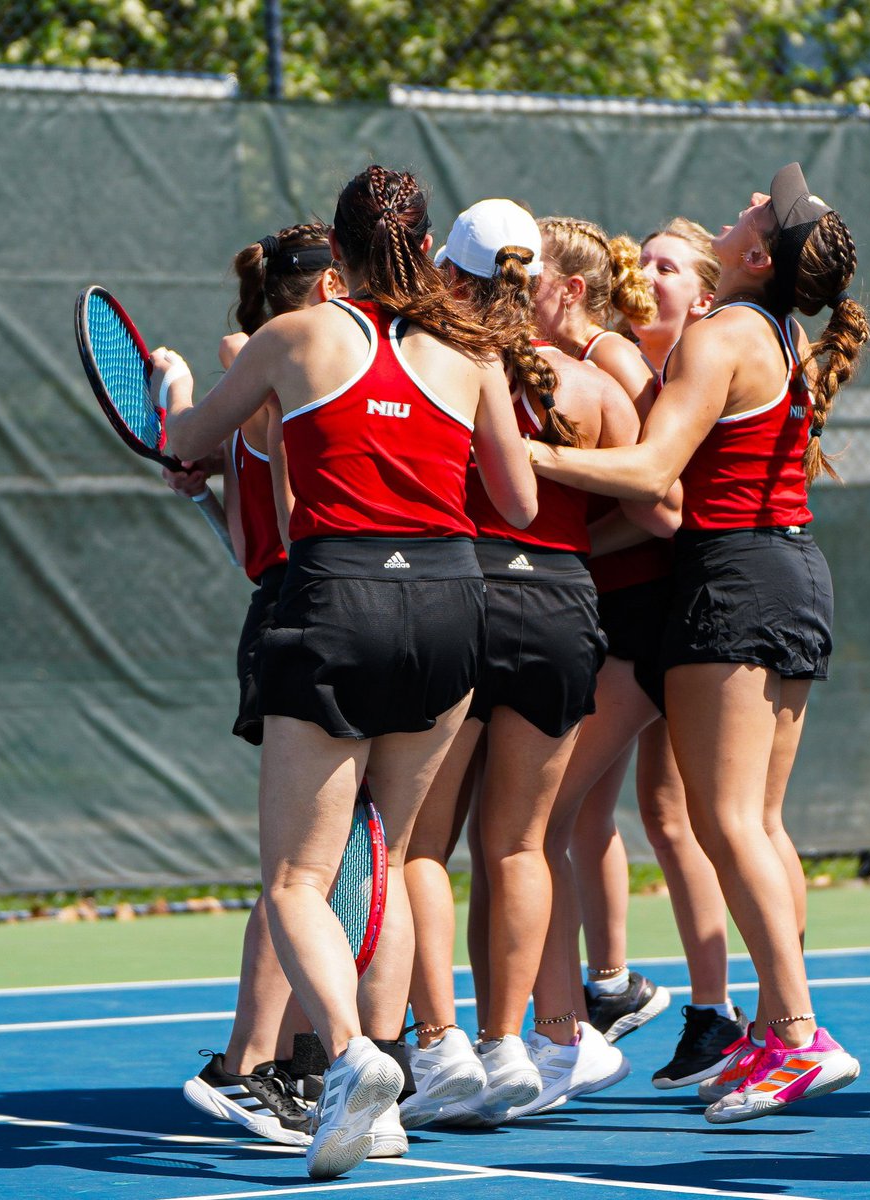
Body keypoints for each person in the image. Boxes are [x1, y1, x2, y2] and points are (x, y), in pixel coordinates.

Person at [152, 165, 537, 1177]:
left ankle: (354, 1058)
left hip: (337, 600)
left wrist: (184, 408)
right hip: (454, 607)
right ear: (422, 243)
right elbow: (520, 503)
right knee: (401, 853)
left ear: (343, 247)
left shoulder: (297, 336)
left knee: (297, 878)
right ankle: (393, 1085)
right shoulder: (473, 351)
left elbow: (186, 441)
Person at [527, 163, 870, 1123]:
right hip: (789, 573)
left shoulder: (724, 334)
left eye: (759, 212)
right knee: (755, 822)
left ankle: (798, 1034)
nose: (745, 206)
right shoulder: (779, 332)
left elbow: (649, 469)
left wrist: (519, 452)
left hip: (739, 583)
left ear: (757, 255)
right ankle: (772, 1027)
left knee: (727, 823)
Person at [401, 199, 674, 1128]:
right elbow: (653, 500)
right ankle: (512, 1042)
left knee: (421, 849)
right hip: (563, 605)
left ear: (456, 278)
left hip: (463, 599)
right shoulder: (594, 387)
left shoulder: (444, 368)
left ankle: (440, 1048)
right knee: (520, 844)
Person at [170, 223, 389, 1152]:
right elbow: (289, 497)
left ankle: (274, 1061)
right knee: (311, 861)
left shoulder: (273, 359)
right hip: (322, 596)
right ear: (326, 282)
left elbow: (227, 468)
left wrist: (180, 409)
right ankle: (273, 1061)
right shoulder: (290, 355)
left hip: (311, 597)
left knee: (309, 863)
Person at [531, 216, 746, 1092]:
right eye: (645, 259)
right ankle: (701, 1011)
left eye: (669, 264)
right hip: (643, 612)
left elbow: (664, 508)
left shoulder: (615, 363)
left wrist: (572, 543)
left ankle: (568, 1027)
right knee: (657, 817)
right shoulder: (611, 362)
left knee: (545, 817)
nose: (647, 271)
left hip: (645, 615)